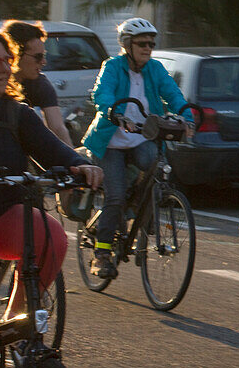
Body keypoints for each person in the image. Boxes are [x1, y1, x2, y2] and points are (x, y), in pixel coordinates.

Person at [0, 30, 102, 320]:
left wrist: (80, 164)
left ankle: (17, 321)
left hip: (2, 214)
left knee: (52, 237)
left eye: (7, 60)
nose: (3, 69)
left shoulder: (18, 114)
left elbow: (53, 149)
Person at [82, 18, 193, 279]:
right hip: (110, 142)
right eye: (141, 43)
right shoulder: (112, 66)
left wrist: (187, 115)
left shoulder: (154, 68)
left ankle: (141, 210)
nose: (147, 48)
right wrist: (115, 113)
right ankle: (101, 254)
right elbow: (102, 94)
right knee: (116, 196)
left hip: (142, 137)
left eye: (151, 44)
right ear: (126, 45)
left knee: (157, 170)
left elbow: (173, 94)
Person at [2, 20, 71, 144]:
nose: (44, 62)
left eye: (44, 56)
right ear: (15, 54)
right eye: (38, 57)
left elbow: (57, 128)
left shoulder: (39, 83)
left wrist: (75, 161)